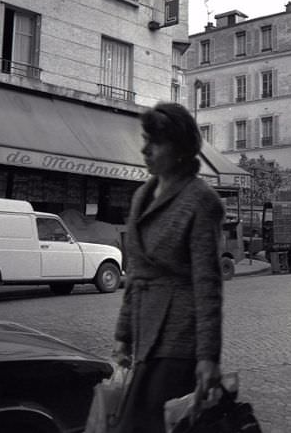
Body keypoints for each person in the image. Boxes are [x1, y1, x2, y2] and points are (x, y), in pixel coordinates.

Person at [111, 102, 224, 433]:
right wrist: (122, 336)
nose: (145, 150)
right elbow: (136, 275)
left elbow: (208, 285)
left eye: (155, 142)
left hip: (179, 337)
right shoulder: (141, 196)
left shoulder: (201, 201)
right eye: (145, 139)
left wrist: (208, 357)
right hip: (144, 335)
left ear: (179, 150)